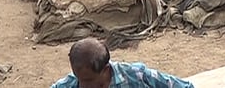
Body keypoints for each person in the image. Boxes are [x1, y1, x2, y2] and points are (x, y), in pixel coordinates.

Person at [50, 38, 192, 88]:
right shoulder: (67, 85)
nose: (82, 86)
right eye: (79, 79)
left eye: (88, 80)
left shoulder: (136, 77)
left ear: (106, 70)